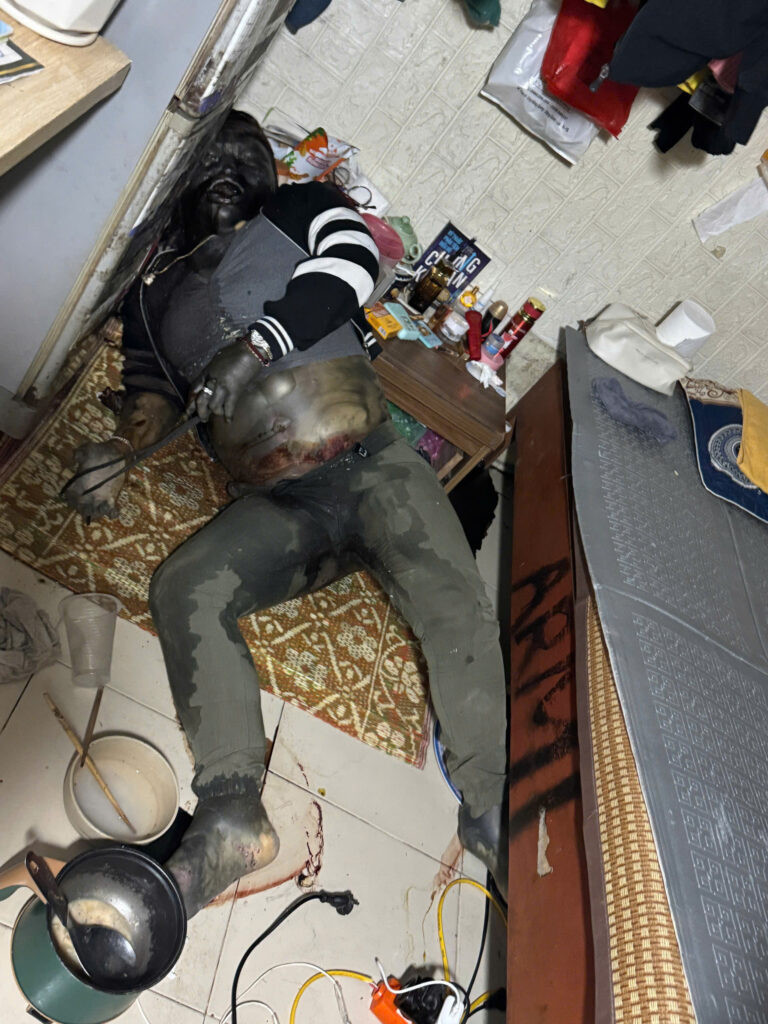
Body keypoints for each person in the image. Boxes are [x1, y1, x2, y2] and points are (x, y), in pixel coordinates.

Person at [64, 110, 509, 916]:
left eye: (246, 157)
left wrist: (257, 345)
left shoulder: (302, 210)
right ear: (181, 187)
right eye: (212, 161)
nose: (229, 167)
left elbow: (356, 264)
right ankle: (233, 811)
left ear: (269, 178)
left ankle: (491, 806)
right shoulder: (155, 296)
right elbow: (151, 397)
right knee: (185, 584)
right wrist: (120, 451)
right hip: (283, 506)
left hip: (375, 467)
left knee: (453, 600)